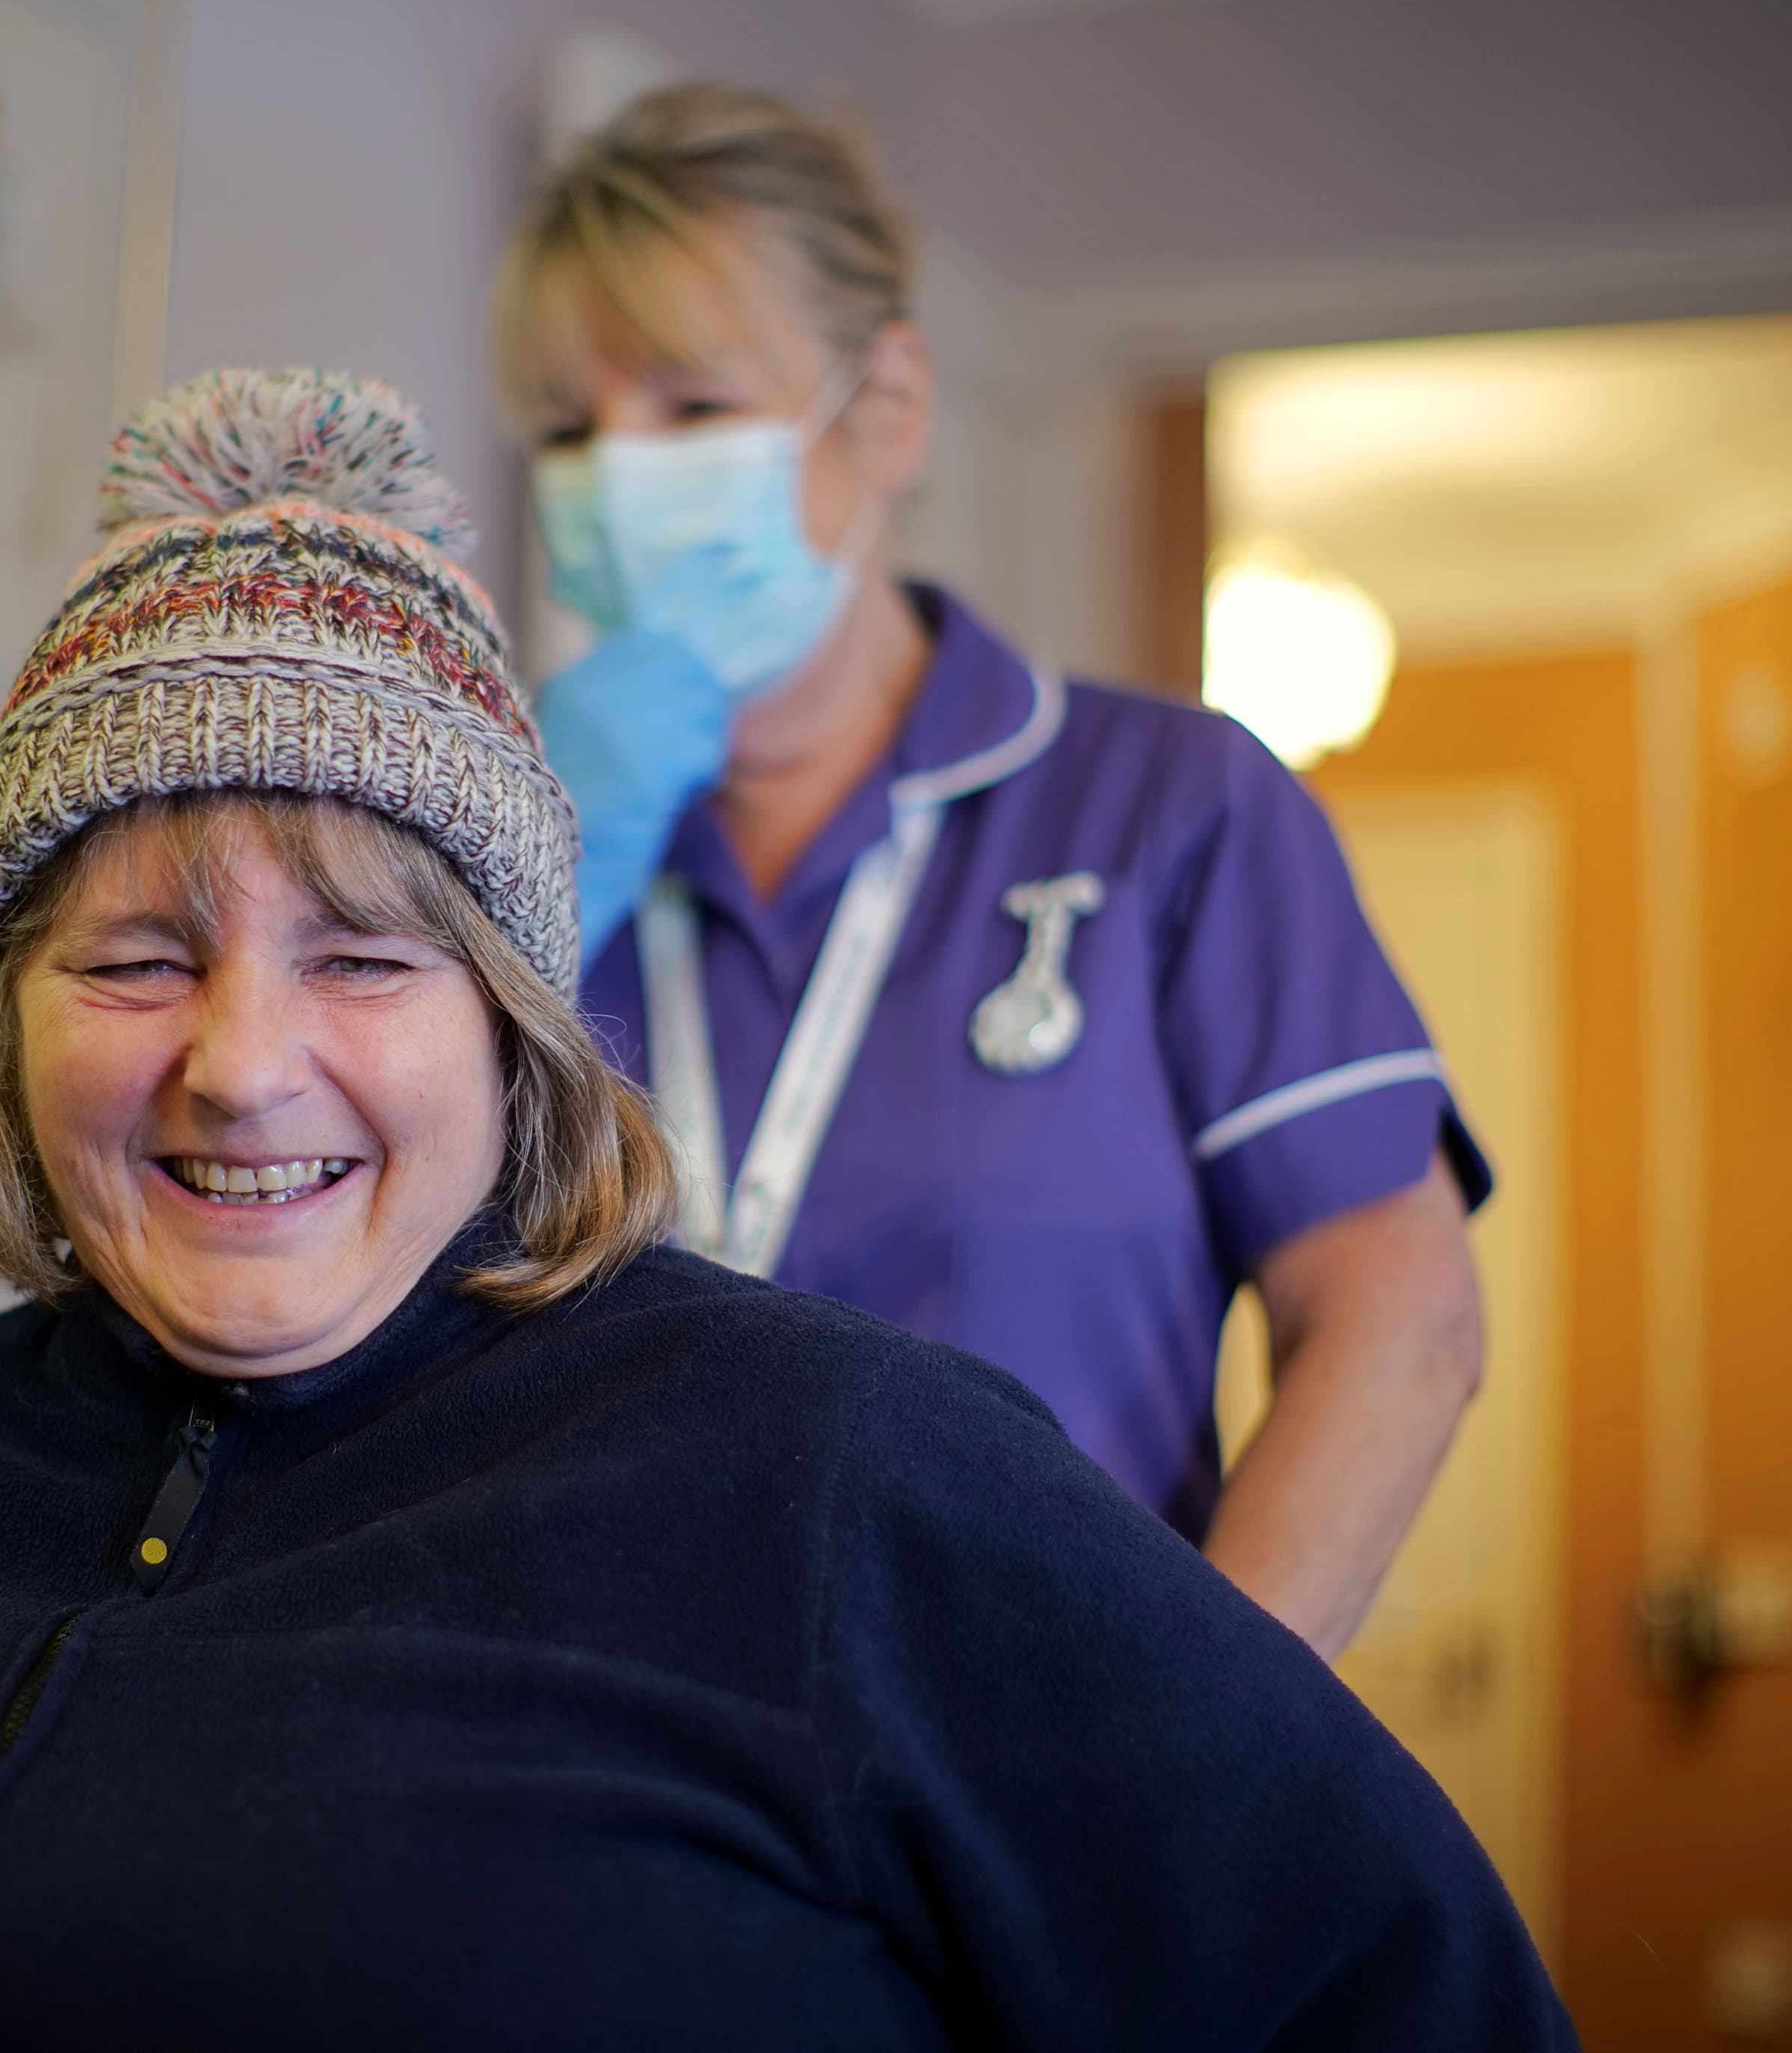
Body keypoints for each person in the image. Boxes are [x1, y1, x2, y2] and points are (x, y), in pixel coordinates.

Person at [0, 370, 1567, 2049]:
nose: (241, 1060)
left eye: (366, 958)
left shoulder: (843, 1478)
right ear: (12, 1022)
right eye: (136, 958)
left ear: (515, 1030)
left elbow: (1397, 1994)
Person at [505, 85, 1490, 1655]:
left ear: (888, 407)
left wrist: (1201, 1735)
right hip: (593, 1738)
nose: (618, 476)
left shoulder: (1171, 808)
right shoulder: (509, 847)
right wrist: (505, 892)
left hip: (1043, 1739)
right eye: (569, 426)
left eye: (693, 406)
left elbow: (1401, 1311)